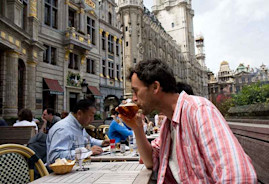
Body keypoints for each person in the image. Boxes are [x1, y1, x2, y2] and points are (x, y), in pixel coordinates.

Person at [118, 59, 257, 183]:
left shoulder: (199, 110)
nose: (134, 98)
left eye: (136, 91)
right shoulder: (169, 122)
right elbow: (151, 162)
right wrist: (137, 128)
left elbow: (240, 177)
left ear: (155, 87)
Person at [46, 99, 109, 165]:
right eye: (90, 116)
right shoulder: (63, 128)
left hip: (78, 167)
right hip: (62, 173)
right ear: (79, 113)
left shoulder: (79, 125)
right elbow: (55, 157)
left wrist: (102, 143)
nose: (92, 120)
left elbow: (87, 140)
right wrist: (87, 152)